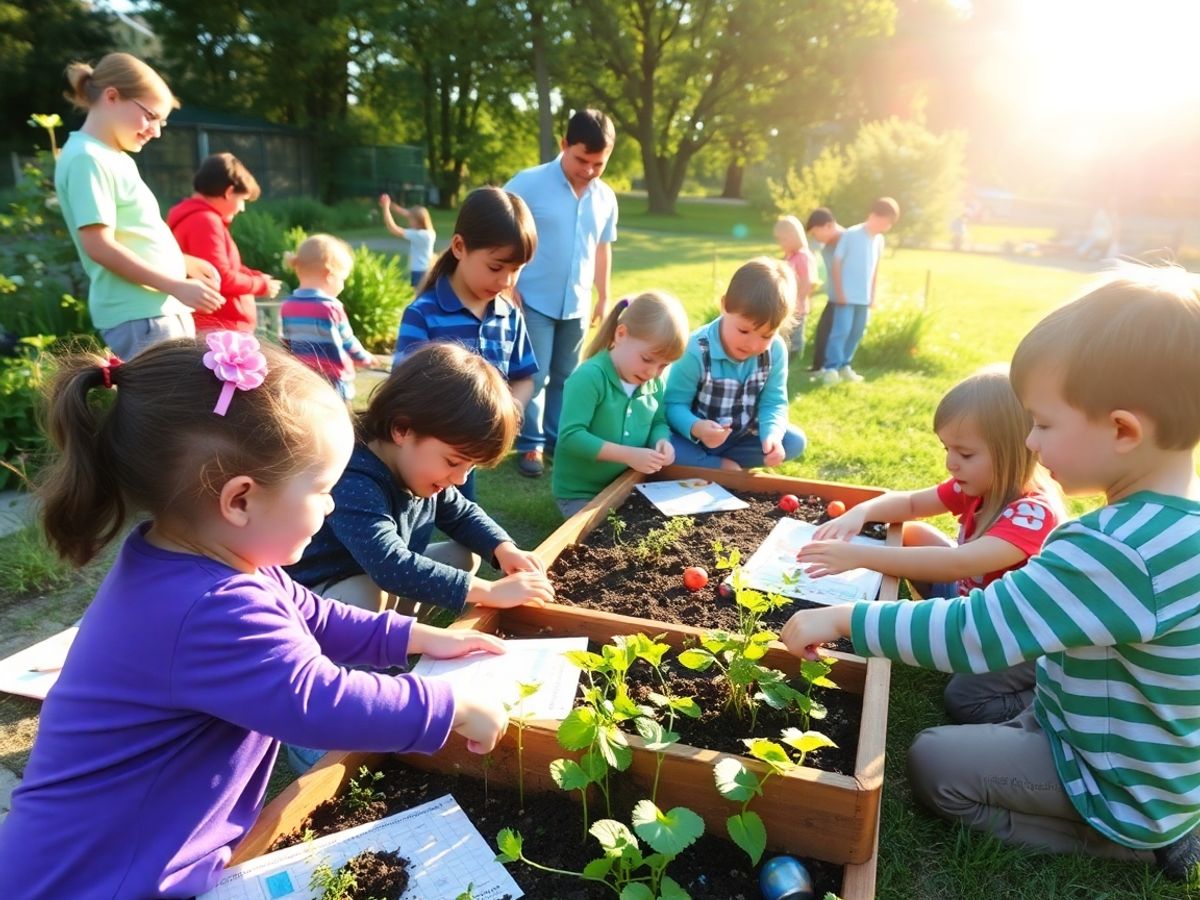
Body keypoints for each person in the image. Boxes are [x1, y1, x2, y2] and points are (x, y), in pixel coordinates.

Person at [0, 335, 509, 897]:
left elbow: (315, 616)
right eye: (321, 489)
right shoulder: (210, 608)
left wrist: (417, 636)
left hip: (122, 856)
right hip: (95, 877)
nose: (332, 505)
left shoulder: (217, 561)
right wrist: (450, 707)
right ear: (240, 500)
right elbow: (315, 700)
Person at [781, 266, 1200, 880]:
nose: (1029, 440)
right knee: (964, 695)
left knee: (934, 764)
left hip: (1114, 777)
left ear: (1122, 429)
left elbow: (975, 630)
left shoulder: (1115, 548)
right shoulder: (1168, 525)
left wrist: (845, 617)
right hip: (1114, 731)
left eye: (1044, 424)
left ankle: (1128, 842)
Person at [797, 368, 1064, 724]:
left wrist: (859, 555)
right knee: (915, 534)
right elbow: (909, 505)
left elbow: (961, 563)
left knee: (963, 699)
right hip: (974, 600)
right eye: (947, 449)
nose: (951, 463)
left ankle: (1042, 700)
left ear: (1014, 451)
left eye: (966, 454)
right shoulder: (977, 485)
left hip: (1019, 635)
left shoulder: (1032, 513)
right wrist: (860, 513)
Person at [287, 341, 554, 619]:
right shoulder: (353, 477)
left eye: (470, 466)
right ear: (402, 430)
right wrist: (489, 592)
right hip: (313, 600)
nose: (461, 478)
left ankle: (397, 632)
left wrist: (504, 548)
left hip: (371, 580)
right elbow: (391, 566)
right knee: (363, 595)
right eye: (453, 461)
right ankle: (363, 653)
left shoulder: (418, 469)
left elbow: (462, 515)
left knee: (462, 557)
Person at [54, 52, 223, 359]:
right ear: (112, 97)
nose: (156, 131)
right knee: (168, 407)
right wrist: (174, 283)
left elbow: (132, 235)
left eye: (162, 121)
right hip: (140, 315)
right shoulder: (87, 159)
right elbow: (99, 247)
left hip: (153, 312)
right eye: (150, 116)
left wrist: (180, 262)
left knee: (178, 404)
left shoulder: (110, 156)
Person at [391, 187, 539, 502]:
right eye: (496, 267)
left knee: (463, 514)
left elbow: (523, 376)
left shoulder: (509, 314)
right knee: (414, 522)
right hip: (431, 454)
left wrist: (507, 414)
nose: (506, 281)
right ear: (459, 247)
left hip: (468, 455)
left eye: (517, 270)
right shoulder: (423, 313)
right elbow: (402, 390)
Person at [505, 109, 619, 478]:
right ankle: (530, 445)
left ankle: (557, 440)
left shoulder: (606, 198)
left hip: (578, 302)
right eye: (581, 159)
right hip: (532, 298)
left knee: (567, 376)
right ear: (564, 144)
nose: (588, 169)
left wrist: (604, 295)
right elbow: (499, 230)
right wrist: (508, 282)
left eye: (598, 164)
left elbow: (602, 248)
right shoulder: (528, 183)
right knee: (534, 376)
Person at [552, 291, 690, 519]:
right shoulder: (590, 377)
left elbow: (658, 421)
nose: (653, 372)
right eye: (647, 359)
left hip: (627, 484)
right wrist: (628, 455)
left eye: (663, 366)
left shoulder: (653, 382)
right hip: (580, 493)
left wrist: (661, 441)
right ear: (621, 334)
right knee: (606, 538)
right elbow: (572, 437)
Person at [664, 258, 807, 471]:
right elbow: (673, 405)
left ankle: (714, 465)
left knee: (794, 441)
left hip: (740, 439)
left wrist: (772, 437)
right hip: (691, 438)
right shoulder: (695, 348)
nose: (752, 344)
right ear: (724, 306)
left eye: (766, 335)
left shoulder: (775, 350)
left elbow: (773, 402)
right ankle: (718, 465)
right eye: (743, 331)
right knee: (661, 445)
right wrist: (697, 427)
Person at [167, 152, 283, 335]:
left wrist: (255, 276)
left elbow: (225, 266)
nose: (242, 208)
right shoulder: (205, 221)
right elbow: (220, 278)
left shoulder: (199, 219)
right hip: (220, 330)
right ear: (229, 192)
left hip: (217, 328)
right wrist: (260, 285)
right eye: (242, 200)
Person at [280, 234, 377, 402]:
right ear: (329, 275)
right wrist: (364, 358)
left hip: (303, 379)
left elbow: (287, 342)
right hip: (333, 379)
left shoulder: (288, 305)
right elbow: (347, 340)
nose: (342, 285)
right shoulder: (331, 307)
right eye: (342, 279)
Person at [821, 197, 901, 385]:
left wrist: (873, 295)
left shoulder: (879, 240)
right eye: (887, 221)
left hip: (863, 298)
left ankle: (845, 365)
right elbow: (837, 263)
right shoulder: (851, 234)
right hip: (846, 296)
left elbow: (875, 269)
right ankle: (830, 368)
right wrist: (839, 292)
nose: (888, 226)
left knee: (857, 332)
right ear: (874, 216)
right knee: (841, 331)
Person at [804, 208, 843, 374]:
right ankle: (819, 367)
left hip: (846, 298)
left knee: (835, 333)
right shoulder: (826, 247)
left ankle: (831, 368)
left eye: (815, 233)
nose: (815, 237)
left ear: (828, 226)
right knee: (823, 331)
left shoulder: (848, 241)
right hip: (835, 297)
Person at [774, 215, 817, 362]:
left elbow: (807, 282)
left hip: (797, 307)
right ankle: (782, 359)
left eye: (784, 240)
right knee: (784, 335)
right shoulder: (790, 256)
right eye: (779, 240)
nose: (781, 244)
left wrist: (797, 302)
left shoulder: (803, 257)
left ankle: (795, 360)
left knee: (795, 337)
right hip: (786, 306)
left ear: (795, 236)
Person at [379, 194, 436, 288]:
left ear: (418, 221)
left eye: (411, 219)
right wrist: (390, 204)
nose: (409, 221)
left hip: (419, 272)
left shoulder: (419, 235)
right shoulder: (429, 233)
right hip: (425, 270)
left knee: (418, 298)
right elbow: (407, 213)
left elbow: (393, 228)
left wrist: (385, 208)